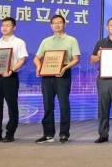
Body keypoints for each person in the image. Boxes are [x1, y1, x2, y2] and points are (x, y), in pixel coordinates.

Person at [33, 14, 80, 144]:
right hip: (47, 75)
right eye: (54, 23)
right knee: (48, 105)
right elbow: (37, 58)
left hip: (63, 74)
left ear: (64, 24)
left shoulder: (71, 40)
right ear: (51, 25)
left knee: (64, 105)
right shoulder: (45, 41)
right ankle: (48, 134)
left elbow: (76, 59)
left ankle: (64, 134)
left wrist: (65, 68)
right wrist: (38, 67)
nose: (57, 25)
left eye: (60, 22)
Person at [0, 17, 28, 143]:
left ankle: (10, 133)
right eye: (3, 25)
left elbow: (22, 60)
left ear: (14, 27)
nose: (4, 27)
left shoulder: (19, 42)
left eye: (8, 25)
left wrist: (12, 70)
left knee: (12, 106)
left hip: (10, 77)